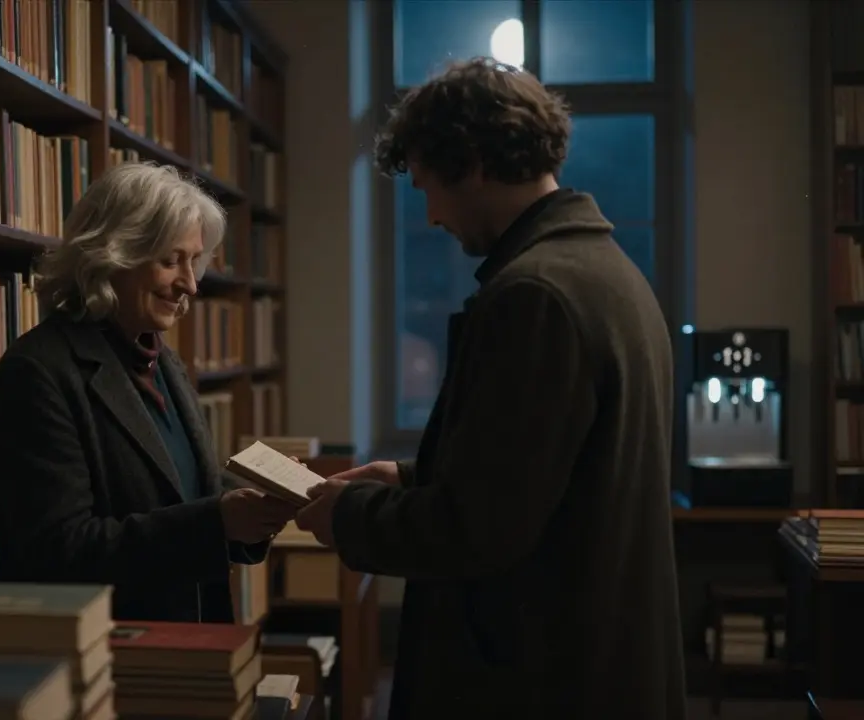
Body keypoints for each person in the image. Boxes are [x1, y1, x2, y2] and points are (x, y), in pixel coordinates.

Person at [294, 58, 687, 719]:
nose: (431, 216)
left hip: (535, 679)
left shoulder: (534, 295)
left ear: (472, 162)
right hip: (595, 663)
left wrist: (344, 517)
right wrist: (412, 477)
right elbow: (546, 471)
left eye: (429, 188)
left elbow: (477, 529)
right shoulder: (605, 270)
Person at [0, 162, 296, 623]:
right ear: (113, 255)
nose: (191, 283)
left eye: (194, 260)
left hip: (187, 641)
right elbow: (57, 554)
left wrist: (257, 507)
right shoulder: (38, 373)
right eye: (171, 261)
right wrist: (217, 522)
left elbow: (179, 488)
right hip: (110, 659)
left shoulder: (160, 358)